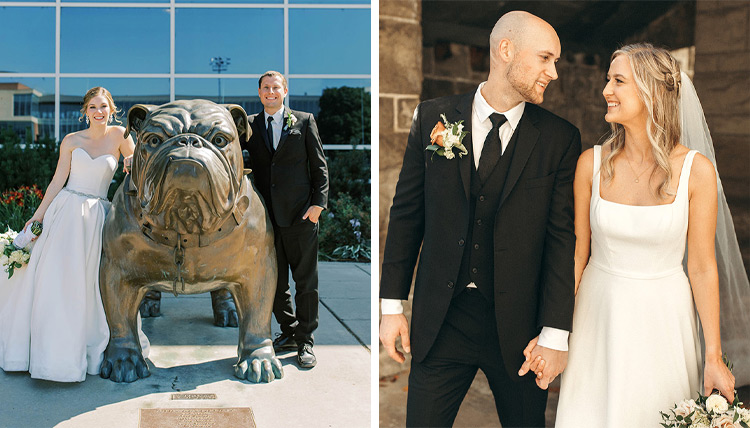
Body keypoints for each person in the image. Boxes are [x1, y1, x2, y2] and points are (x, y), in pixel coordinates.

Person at [379, 11, 581, 427]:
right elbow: (406, 217)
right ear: (506, 50)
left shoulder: (560, 139)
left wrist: (555, 334)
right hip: (442, 320)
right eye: (545, 58)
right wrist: (391, 307)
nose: (554, 73)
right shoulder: (433, 118)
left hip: (521, 331)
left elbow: (563, 241)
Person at [555, 44, 736, 427]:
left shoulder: (696, 171)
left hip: (665, 322)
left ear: (652, 92)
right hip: (597, 317)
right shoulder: (591, 164)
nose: (606, 89)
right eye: (608, 79)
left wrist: (714, 355)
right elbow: (576, 256)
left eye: (618, 80)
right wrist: (553, 332)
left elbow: (703, 268)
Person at [0, 86, 149, 382]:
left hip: (100, 216)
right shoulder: (70, 140)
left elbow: (137, 170)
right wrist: (37, 215)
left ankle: (95, 344)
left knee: (94, 282)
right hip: (66, 213)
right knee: (58, 280)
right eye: (93, 107)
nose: (98, 112)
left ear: (112, 110)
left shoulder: (121, 136)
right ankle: (53, 354)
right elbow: (57, 181)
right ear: (85, 111)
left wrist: (133, 166)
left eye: (103, 107)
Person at [243, 71, 329, 369]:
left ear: (285, 91)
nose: (270, 92)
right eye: (265, 88)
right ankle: (289, 332)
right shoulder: (250, 126)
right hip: (265, 219)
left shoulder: (304, 121)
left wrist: (318, 205)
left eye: (275, 87)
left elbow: (319, 166)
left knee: (306, 283)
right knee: (275, 282)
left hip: (301, 216)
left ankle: (306, 341)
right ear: (259, 92)